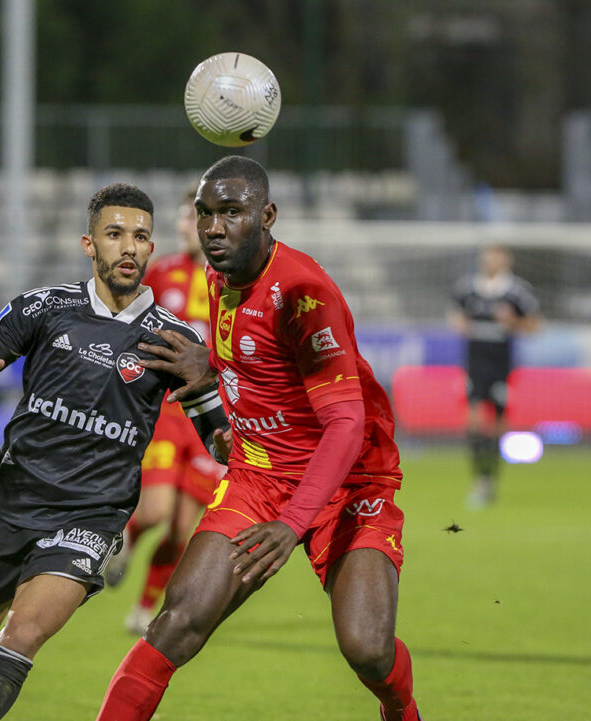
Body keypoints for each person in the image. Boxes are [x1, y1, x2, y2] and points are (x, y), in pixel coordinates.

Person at [93, 156, 422, 721]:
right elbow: (261, 378)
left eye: (231, 213)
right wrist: (221, 412)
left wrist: (293, 522)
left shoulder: (303, 294)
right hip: (259, 478)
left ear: (266, 215)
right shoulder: (217, 277)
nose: (214, 228)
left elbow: (346, 424)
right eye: (205, 214)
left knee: (367, 648)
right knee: (177, 624)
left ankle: (402, 710)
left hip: (348, 480)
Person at [0, 184, 230, 721]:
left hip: (92, 514)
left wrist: (242, 424)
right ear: (89, 244)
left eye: (140, 236)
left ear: (150, 246)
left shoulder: (173, 339)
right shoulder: (45, 307)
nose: (128, 247)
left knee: (20, 638)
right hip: (12, 500)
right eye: (114, 234)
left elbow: (220, 436)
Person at [104, 184, 227, 636]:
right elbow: (129, 332)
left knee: (181, 527)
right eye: (179, 220)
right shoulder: (161, 273)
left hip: (210, 419)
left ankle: (144, 606)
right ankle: (127, 544)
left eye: (189, 220)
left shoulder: (232, 281)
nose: (183, 228)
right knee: (154, 511)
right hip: (164, 412)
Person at [449, 244, 539, 509]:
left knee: (499, 422)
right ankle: (479, 480)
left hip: (501, 366)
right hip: (474, 364)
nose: (489, 261)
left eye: (495, 257)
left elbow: (535, 325)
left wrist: (514, 323)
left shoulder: (517, 292)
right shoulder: (467, 289)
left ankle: (491, 480)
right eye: (486, 257)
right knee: (474, 420)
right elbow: (457, 317)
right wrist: (459, 324)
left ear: (506, 261)